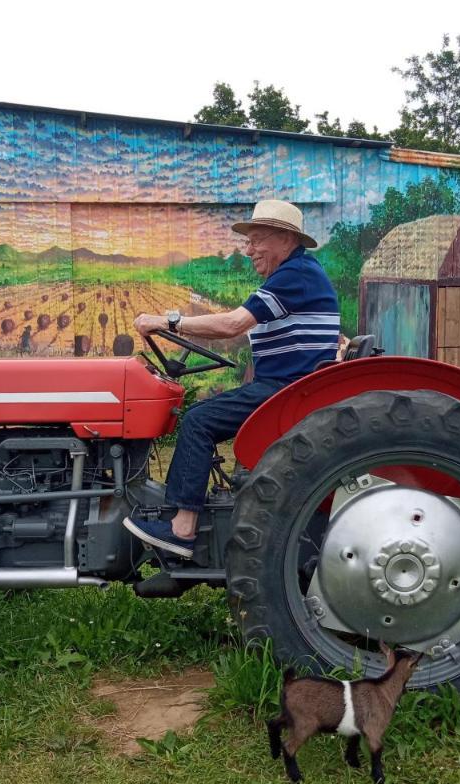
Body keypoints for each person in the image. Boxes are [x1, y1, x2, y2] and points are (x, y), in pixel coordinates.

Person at [122, 199, 340, 558]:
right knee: (203, 416)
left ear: (286, 239)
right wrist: (194, 332)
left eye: (257, 240)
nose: (249, 250)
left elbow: (233, 324)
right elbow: (236, 329)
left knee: (198, 421)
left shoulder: (294, 275)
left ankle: (182, 527)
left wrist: (168, 322)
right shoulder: (294, 276)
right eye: (248, 241)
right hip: (287, 386)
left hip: (286, 390)